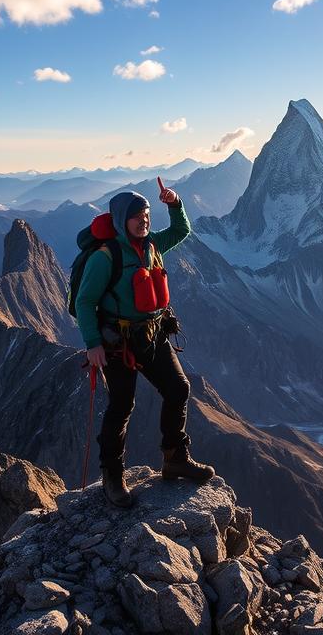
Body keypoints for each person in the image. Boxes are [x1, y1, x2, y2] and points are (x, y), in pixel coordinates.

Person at [73, 182, 215, 508]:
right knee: (122, 405)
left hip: (151, 334)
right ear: (122, 219)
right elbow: (84, 302)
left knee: (178, 388)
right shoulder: (105, 257)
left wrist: (175, 202)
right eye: (137, 216)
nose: (144, 220)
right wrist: (92, 343)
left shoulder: (153, 245)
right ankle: (112, 475)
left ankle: (175, 458)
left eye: (147, 214)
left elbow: (182, 230)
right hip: (116, 343)